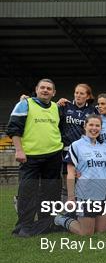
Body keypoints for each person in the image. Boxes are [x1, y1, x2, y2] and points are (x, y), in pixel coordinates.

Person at [8, 79, 64, 237]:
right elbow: (14, 128)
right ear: (37, 90)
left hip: (53, 155)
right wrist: (19, 150)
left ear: (54, 93)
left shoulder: (56, 107)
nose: (45, 90)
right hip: (30, 157)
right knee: (27, 192)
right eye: (43, 88)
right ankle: (24, 226)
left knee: (52, 192)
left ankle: (47, 223)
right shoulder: (25, 104)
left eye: (49, 88)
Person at [54, 115, 106, 235]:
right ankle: (61, 219)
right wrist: (70, 197)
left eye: (97, 125)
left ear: (101, 128)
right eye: (91, 125)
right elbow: (70, 173)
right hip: (85, 194)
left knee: (100, 231)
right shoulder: (76, 145)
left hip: (103, 194)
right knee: (87, 233)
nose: (94, 128)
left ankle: (77, 216)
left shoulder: (104, 147)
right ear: (85, 126)